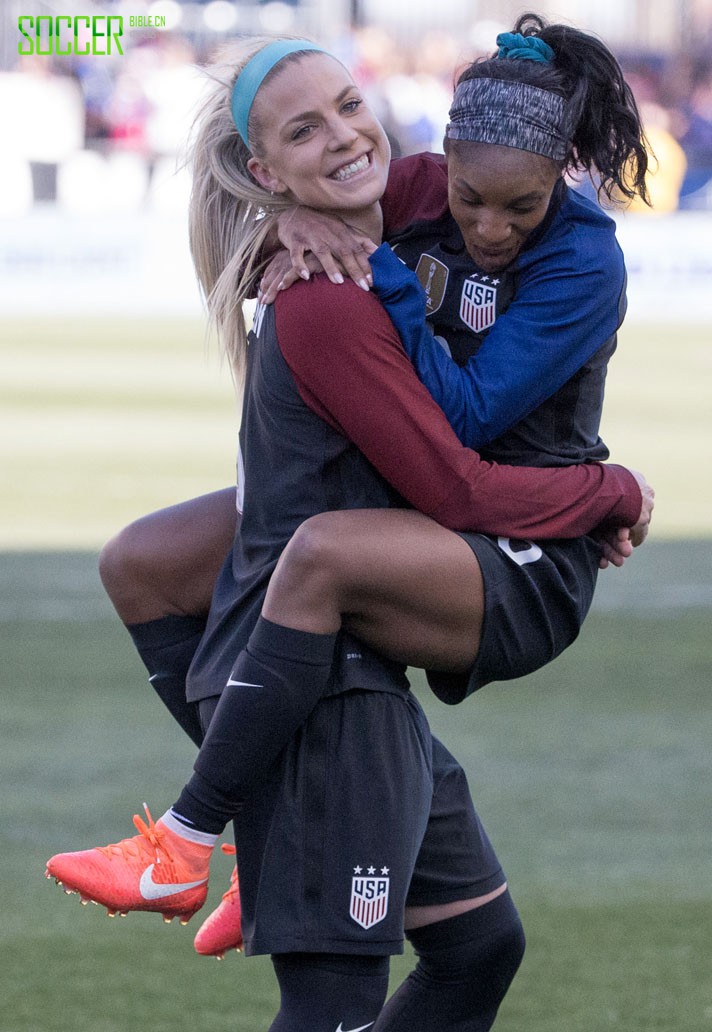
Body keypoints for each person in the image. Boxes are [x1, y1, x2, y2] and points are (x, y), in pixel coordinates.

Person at [47, 22, 653, 1031]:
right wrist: (293, 226)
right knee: (468, 952)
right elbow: (447, 475)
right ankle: (230, 823)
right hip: (433, 538)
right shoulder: (362, 239)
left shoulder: (559, 257)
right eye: (302, 129)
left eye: (346, 108)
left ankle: (206, 828)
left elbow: (457, 467)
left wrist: (605, 492)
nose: (489, 228)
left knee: (301, 557)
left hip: (503, 552)